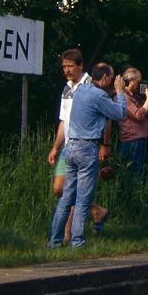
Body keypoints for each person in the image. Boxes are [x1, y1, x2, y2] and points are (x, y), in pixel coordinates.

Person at [48, 63, 126, 248]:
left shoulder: (81, 90)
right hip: (86, 148)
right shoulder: (98, 95)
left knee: (66, 198)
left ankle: (55, 241)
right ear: (105, 77)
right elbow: (119, 113)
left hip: (71, 146)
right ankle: (77, 241)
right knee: (83, 198)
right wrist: (120, 92)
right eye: (111, 77)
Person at [47, 49, 109, 243]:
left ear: (80, 66)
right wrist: (55, 147)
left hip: (85, 144)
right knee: (59, 189)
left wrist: (104, 144)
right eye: (64, 66)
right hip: (68, 146)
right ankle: (96, 210)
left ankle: (68, 236)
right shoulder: (67, 88)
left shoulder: (91, 86)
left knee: (72, 191)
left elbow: (106, 117)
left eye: (70, 66)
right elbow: (63, 121)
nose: (66, 70)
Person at [118, 67, 148, 179]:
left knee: (141, 173)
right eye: (139, 82)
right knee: (134, 176)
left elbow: (146, 111)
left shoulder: (134, 97)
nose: (141, 84)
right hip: (132, 142)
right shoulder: (124, 97)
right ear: (130, 81)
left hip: (139, 141)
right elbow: (139, 115)